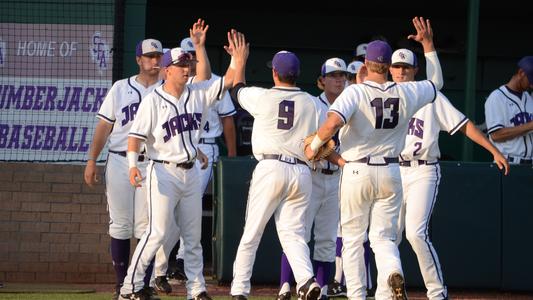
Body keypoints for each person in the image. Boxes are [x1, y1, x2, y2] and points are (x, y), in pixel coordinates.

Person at [305, 23, 445, 298]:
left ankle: (357, 295)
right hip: (392, 169)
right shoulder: (407, 91)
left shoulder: (355, 92)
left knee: (354, 240)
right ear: (388, 65)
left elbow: (332, 123)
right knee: (384, 238)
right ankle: (393, 270)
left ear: (366, 64)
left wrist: (314, 146)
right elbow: (436, 84)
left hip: (357, 169)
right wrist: (428, 46)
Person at [118, 20, 245, 300]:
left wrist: (235, 59)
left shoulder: (197, 94)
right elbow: (134, 138)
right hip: (162, 172)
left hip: (190, 173)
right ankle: (131, 286)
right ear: (167, 70)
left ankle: (196, 289)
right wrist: (130, 167)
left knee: (192, 236)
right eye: (181, 64)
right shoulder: (153, 100)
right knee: (157, 232)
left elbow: (228, 80)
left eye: (189, 64)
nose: (187, 69)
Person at [391, 46, 509, 300]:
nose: (401, 72)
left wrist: (493, 150)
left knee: (415, 232)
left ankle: (436, 293)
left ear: (415, 71)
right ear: (389, 70)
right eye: (396, 67)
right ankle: (391, 291)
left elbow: (464, 125)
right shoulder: (384, 96)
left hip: (423, 170)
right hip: (392, 170)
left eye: (406, 67)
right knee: (388, 235)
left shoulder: (431, 96)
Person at [229, 50, 324, 300]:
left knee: (252, 232)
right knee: (293, 234)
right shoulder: (314, 102)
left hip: (271, 167)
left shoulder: (263, 97)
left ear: (274, 72)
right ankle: (306, 280)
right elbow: (328, 133)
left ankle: (239, 289)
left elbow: (236, 89)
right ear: (298, 74)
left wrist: (240, 61)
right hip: (302, 171)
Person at [153, 37, 238, 294]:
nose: (188, 64)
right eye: (183, 59)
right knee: (166, 220)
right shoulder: (167, 91)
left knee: (186, 218)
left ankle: (179, 267)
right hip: (175, 155)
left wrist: (232, 155)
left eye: (191, 59)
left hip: (205, 149)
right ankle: (158, 270)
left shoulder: (205, 87)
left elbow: (227, 120)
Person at [84, 38, 164, 300]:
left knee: (147, 227)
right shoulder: (121, 88)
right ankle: (122, 285)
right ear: (139, 59)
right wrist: (92, 160)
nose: (154, 60)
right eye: (149, 56)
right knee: (120, 225)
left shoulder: (168, 89)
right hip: (119, 161)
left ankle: (141, 284)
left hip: (152, 162)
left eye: (158, 56)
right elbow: (104, 127)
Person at [275, 57, 347, 300]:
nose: (338, 79)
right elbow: (304, 142)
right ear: (321, 80)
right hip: (313, 174)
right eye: (333, 75)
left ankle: (323, 289)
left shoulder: (353, 104)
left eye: (342, 75)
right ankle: (286, 287)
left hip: (337, 179)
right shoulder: (311, 104)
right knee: (299, 234)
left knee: (327, 239)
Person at [484, 56, 533, 165]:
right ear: (521, 73)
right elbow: (496, 135)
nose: (531, 85)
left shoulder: (529, 98)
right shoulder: (497, 97)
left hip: (530, 165)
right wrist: (529, 126)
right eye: (530, 80)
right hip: (508, 163)